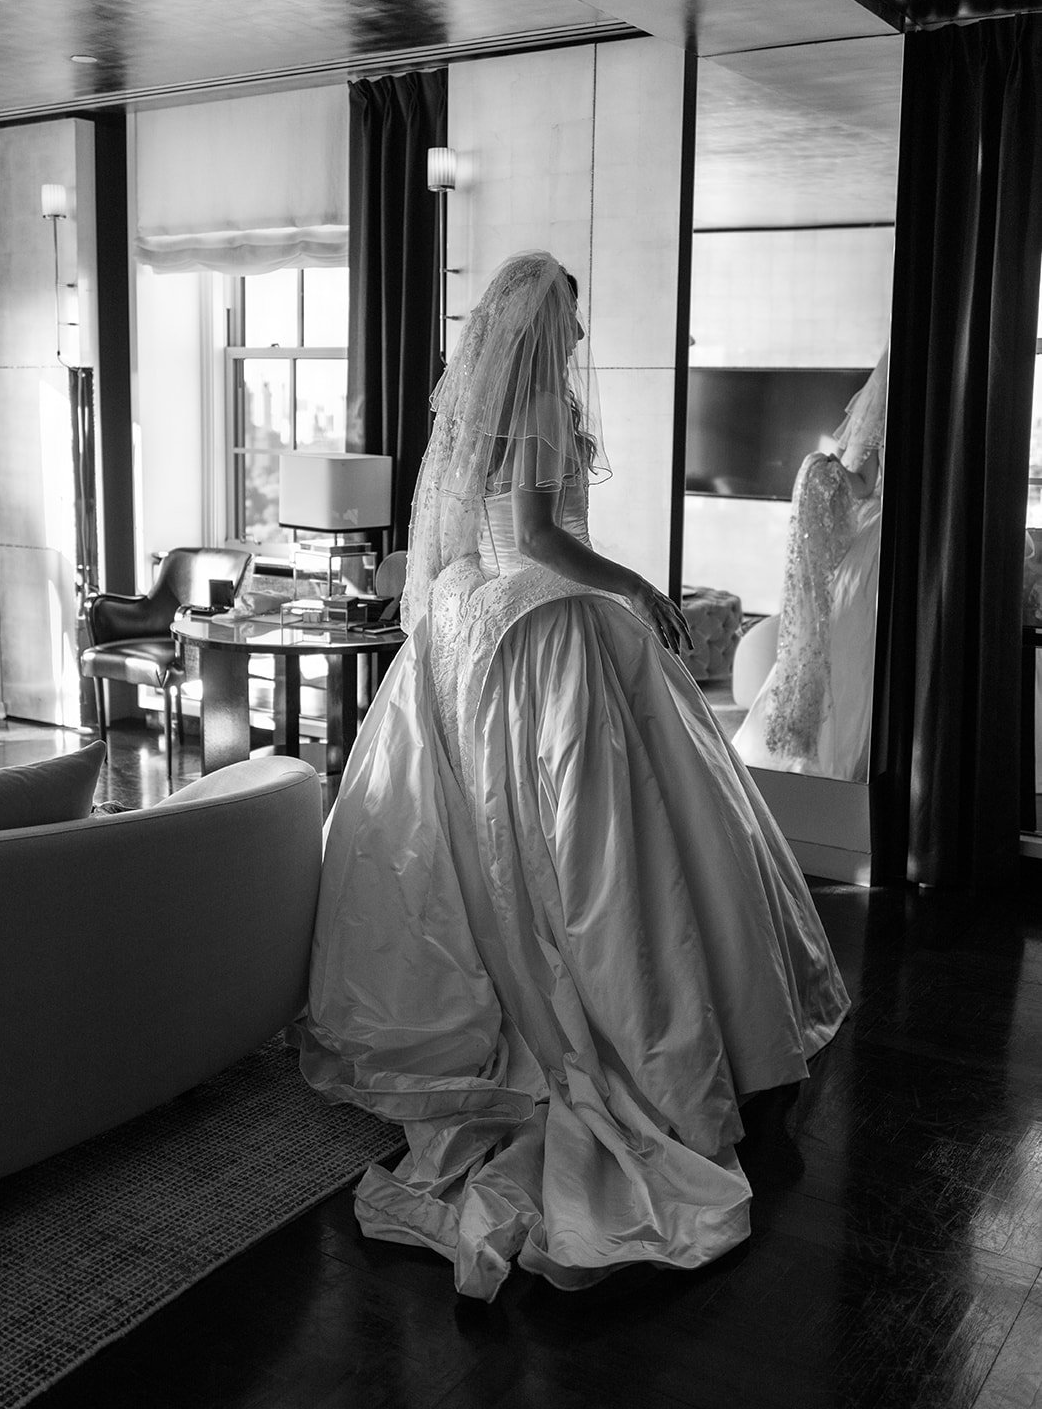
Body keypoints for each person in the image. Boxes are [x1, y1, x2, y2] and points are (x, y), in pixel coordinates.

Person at [294, 250, 849, 1301]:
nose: (583, 342)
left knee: (512, 838)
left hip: (473, 619)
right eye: (575, 323)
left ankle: (522, 988)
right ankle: (628, 1032)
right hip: (543, 626)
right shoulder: (541, 402)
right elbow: (545, 536)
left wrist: (465, 607)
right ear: (546, 329)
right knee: (604, 847)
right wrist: (638, 587)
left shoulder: (473, 409)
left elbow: (469, 539)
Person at [733, 353, 888, 782]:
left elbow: (859, 482)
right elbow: (863, 484)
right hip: (879, 540)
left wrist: (824, 469)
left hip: (871, 539)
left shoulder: (882, 402)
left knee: (845, 639)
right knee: (853, 643)